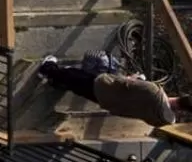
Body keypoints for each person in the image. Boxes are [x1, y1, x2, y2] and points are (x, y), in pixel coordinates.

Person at [37, 52, 189, 127]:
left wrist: (135, 78)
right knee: (79, 88)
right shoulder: (164, 120)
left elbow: (126, 82)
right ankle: (55, 82)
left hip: (105, 87)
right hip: (111, 105)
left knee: (72, 75)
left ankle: (47, 69)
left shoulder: (153, 91)